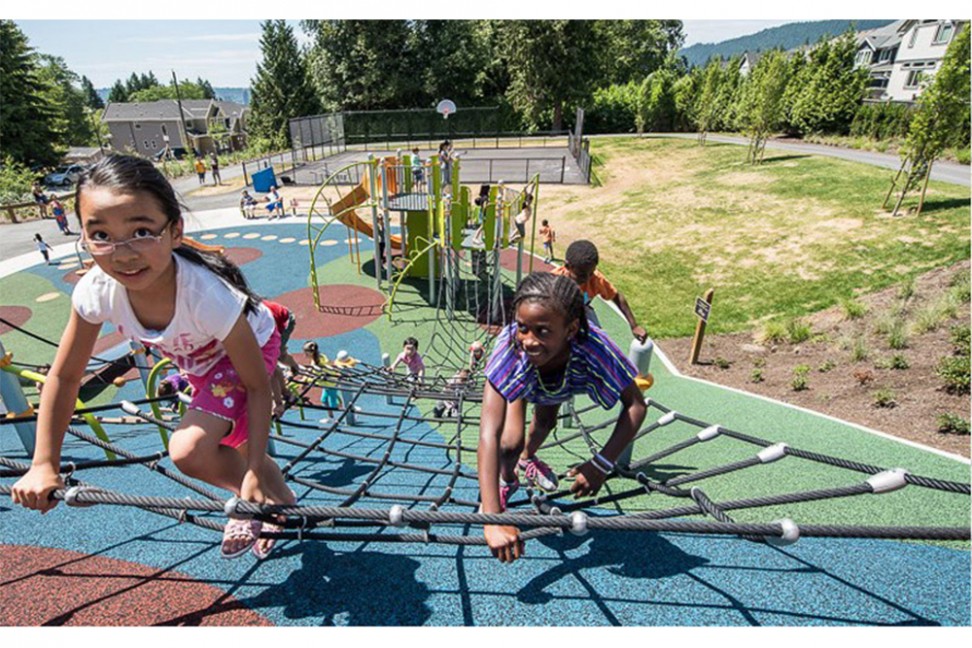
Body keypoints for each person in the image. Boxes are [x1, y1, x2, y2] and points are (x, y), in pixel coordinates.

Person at [10, 154, 296, 561]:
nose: (123, 254)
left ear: (174, 230)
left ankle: (265, 500)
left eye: (141, 231)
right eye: (101, 235)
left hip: (247, 346)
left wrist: (251, 471)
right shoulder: (96, 291)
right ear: (84, 238)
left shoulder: (204, 294)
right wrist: (44, 462)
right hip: (199, 359)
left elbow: (253, 384)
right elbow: (64, 376)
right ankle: (276, 497)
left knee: (189, 450)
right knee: (233, 440)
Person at [478, 272, 647, 563]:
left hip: (562, 380)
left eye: (542, 330)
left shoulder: (594, 346)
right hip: (520, 379)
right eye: (523, 327)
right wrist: (492, 517)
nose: (529, 340)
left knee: (544, 423)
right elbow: (487, 432)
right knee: (509, 444)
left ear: (571, 329)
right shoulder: (512, 348)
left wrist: (601, 464)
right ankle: (508, 479)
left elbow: (636, 405)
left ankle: (528, 459)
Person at [552, 240, 648, 344]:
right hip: (558, 314)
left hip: (583, 311)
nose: (587, 279)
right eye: (581, 275)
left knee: (598, 342)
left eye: (591, 273)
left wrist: (634, 325)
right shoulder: (553, 282)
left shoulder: (596, 280)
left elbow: (617, 297)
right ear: (567, 266)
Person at [263, 300, 300, 417]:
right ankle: (285, 393)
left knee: (277, 358)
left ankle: (282, 399)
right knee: (274, 361)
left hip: (283, 321)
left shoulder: (258, 321)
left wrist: (278, 403)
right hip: (269, 326)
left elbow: (271, 371)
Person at [302, 341, 343, 423]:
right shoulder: (318, 358)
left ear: (311, 352)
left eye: (305, 352)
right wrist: (304, 379)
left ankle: (349, 410)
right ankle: (331, 417)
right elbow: (310, 371)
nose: (304, 354)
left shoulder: (318, 362)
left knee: (333, 405)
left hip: (331, 383)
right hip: (326, 384)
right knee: (324, 400)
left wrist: (306, 381)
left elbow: (315, 374)